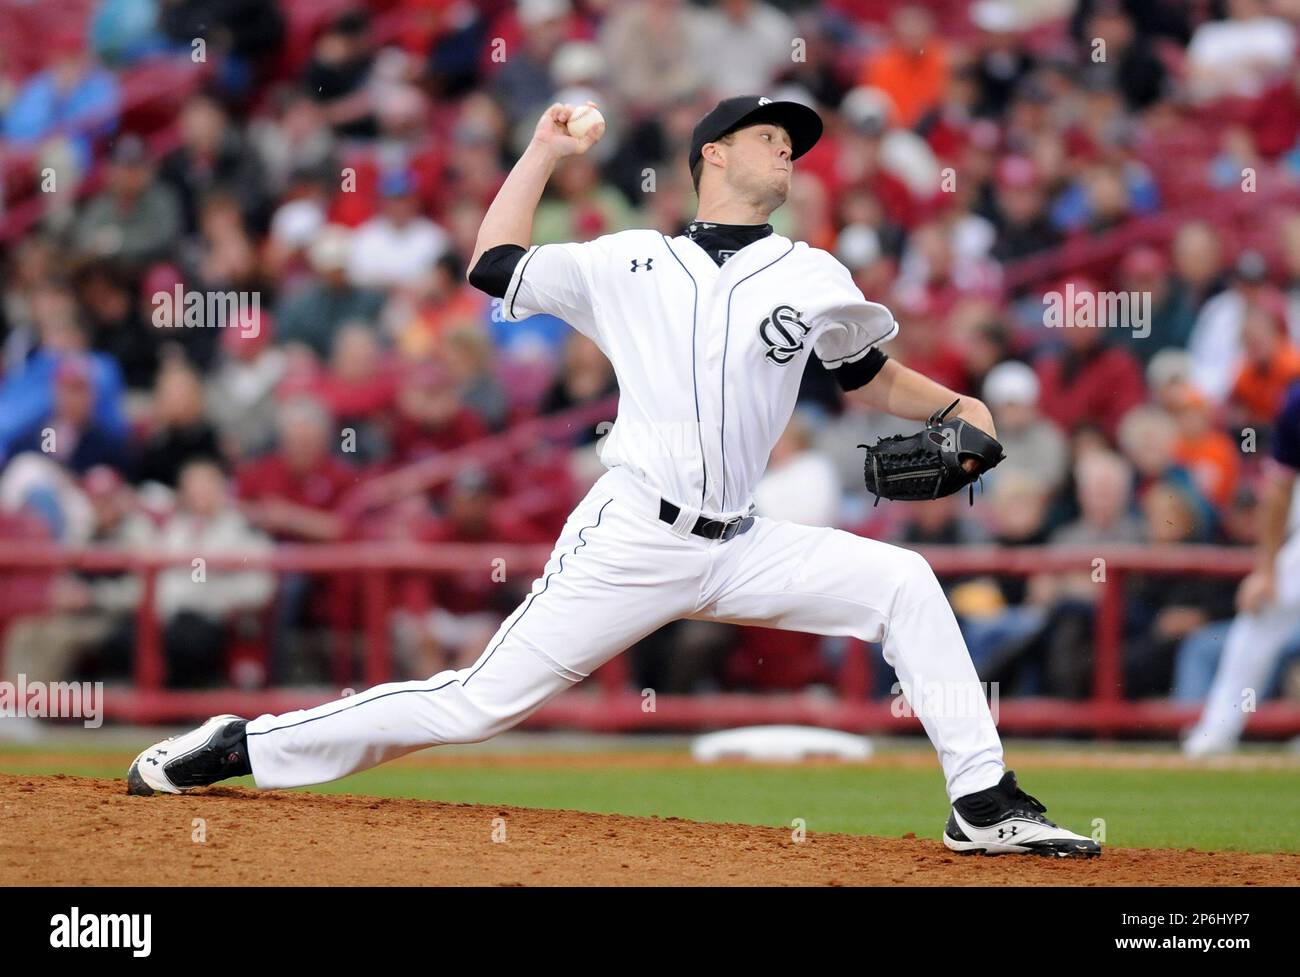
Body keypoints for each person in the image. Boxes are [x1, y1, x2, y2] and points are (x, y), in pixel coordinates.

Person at [126, 96, 1099, 857]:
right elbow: (491, 263)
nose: (786, 153)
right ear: (711, 155)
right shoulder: (628, 261)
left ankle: (980, 800)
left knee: (904, 581)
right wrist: (544, 151)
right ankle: (245, 743)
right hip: (634, 532)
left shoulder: (813, 275)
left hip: (741, 540)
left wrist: (959, 409)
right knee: (476, 703)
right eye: (768, 138)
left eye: (792, 144)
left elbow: (865, 375)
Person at [1182, 380, 1300, 756]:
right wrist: (1266, 569)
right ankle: (1215, 733)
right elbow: (1280, 486)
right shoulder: (1297, 399)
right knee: (1262, 609)